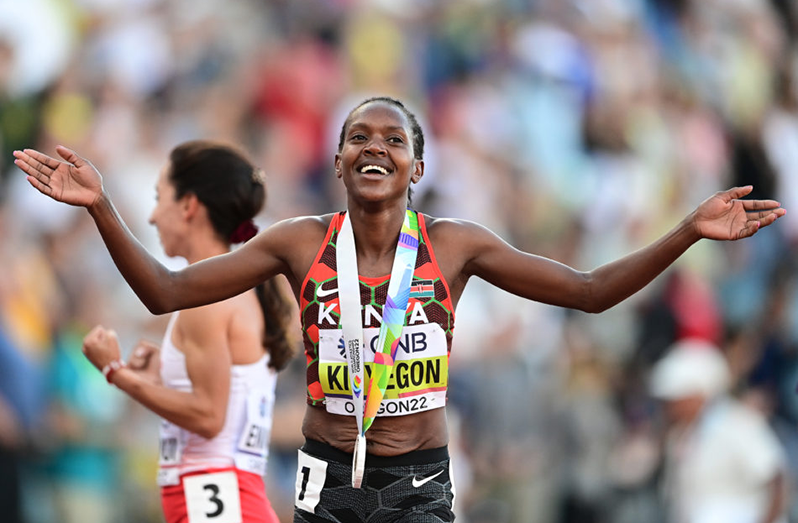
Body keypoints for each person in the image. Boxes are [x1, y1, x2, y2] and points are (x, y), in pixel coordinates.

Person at [14, 96, 786, 523]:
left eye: (392, 137)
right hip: (323, 475)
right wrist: (101, 206)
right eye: (357, 136)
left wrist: (688, 230)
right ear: (340, 158)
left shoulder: (455, 246)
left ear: (416, 163)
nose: (373, 145)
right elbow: (166, 290)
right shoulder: (299, 241)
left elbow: (587, 291)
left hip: (418, 478)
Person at [74, 141, 295, 523]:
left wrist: (117, 373)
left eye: (160, 197)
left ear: (189, 206)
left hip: (220, 501)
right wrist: (165, 378)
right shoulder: (227, 291)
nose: (153, 216)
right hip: (228, 497)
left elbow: (210, 417)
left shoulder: (207, 300)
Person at [649, 339, 788, 523]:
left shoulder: (738, 424)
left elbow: (775, 480)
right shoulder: (680, 435)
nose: (669, 407)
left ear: (697, 394)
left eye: (675, 399)